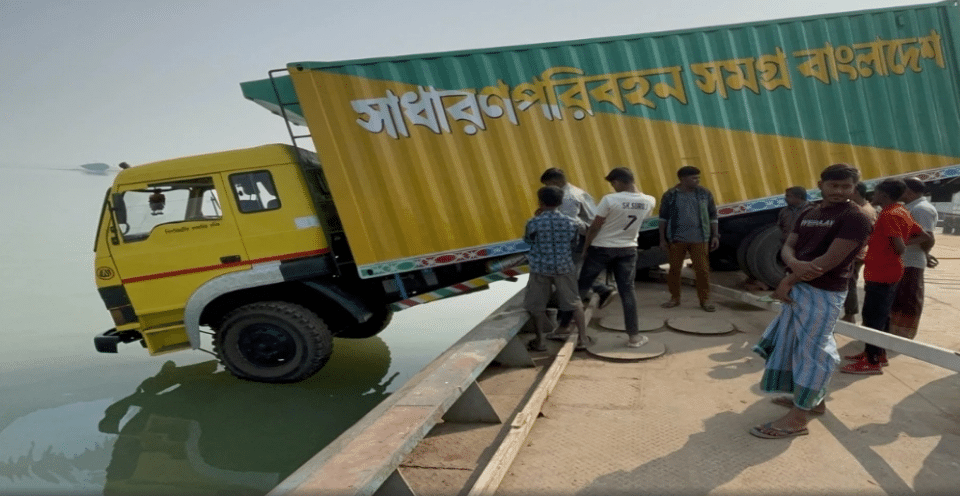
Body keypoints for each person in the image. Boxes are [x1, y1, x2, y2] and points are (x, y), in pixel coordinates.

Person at [750, 163, 872, 439]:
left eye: (846, 186)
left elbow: (827, 262)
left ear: (854, 188)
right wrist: (793, 266)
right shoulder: (809, 211)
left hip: (824, 292)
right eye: (834, 185)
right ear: (821, 185)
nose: (839, 191)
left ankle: (797, 419)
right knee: (796, 346)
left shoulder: (856, 218)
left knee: (814, 352)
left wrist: (787, 280)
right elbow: (788, 244)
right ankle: (812, 401)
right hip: (800, 286)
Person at [840, 179, 930, 375]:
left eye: (877, 192)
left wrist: (891, 247)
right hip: (884, 272)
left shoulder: (890, 215)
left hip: (883, 273)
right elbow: (923, 235)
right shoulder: (901, 211)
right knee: (881, 316)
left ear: (885, 195)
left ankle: (872, 362)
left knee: (873, 318)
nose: (874, 195)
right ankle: (876, 354)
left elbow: (898, 247)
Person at [578, 167, 656, 348]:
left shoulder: (610, 200)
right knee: (628, 292)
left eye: (613, 183)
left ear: (620, 181)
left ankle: (565, 324)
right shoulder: (649, 201)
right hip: (628, 249)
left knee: (582, 285)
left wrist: (586, 247)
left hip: (602, 248)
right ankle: (634, 337)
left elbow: (595, 226)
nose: (613, 187)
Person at [539, 168, 613, 336]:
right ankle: (598, 291)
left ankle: (567, 318)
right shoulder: (578, 191)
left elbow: (570, 223)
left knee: (567, 276)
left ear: (556, 181)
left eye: (548, 184)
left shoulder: (566, 198)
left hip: (577, 239)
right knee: (573, 273)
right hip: (588, 235)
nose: (548, 189)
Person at [522, 186, 589, 352]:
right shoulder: (571, 223)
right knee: (574, 302)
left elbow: (528, 242)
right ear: (560, 202)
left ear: (540, 202)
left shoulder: (533, 222)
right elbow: (574, 243)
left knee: (536, 306)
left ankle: (540, 342)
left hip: (540, 268)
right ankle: (583, 338)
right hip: (564, 267)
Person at [658, 165, 720, 312]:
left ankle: (705, 301)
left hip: (700, 238)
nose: (697, 180)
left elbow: (713, 216)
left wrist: (715, 235)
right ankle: (674, 298)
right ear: (683, 179)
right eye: (693, 178)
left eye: (698, 177)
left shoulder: (704, 193)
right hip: (676, 239)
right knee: (674, 270)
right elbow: (663, 218)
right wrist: (662, 239)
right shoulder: (670, 195)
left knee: (702, 271)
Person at [887, 177, 938, 340]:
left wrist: (895, 244)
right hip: (903, 261)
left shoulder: (922, 209)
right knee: (898, 299)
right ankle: (894, 333)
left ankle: (904, 336)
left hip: (912, 262)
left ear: (908, 191)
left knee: (908, 300)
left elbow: (927, 237)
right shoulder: (910, 207)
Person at [841, 182, 878, 323]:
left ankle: (850, 314)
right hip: (857, 253)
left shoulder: (863, 212)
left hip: (855, 254)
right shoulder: (863, 208)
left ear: (855, 191)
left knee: (849, 284)